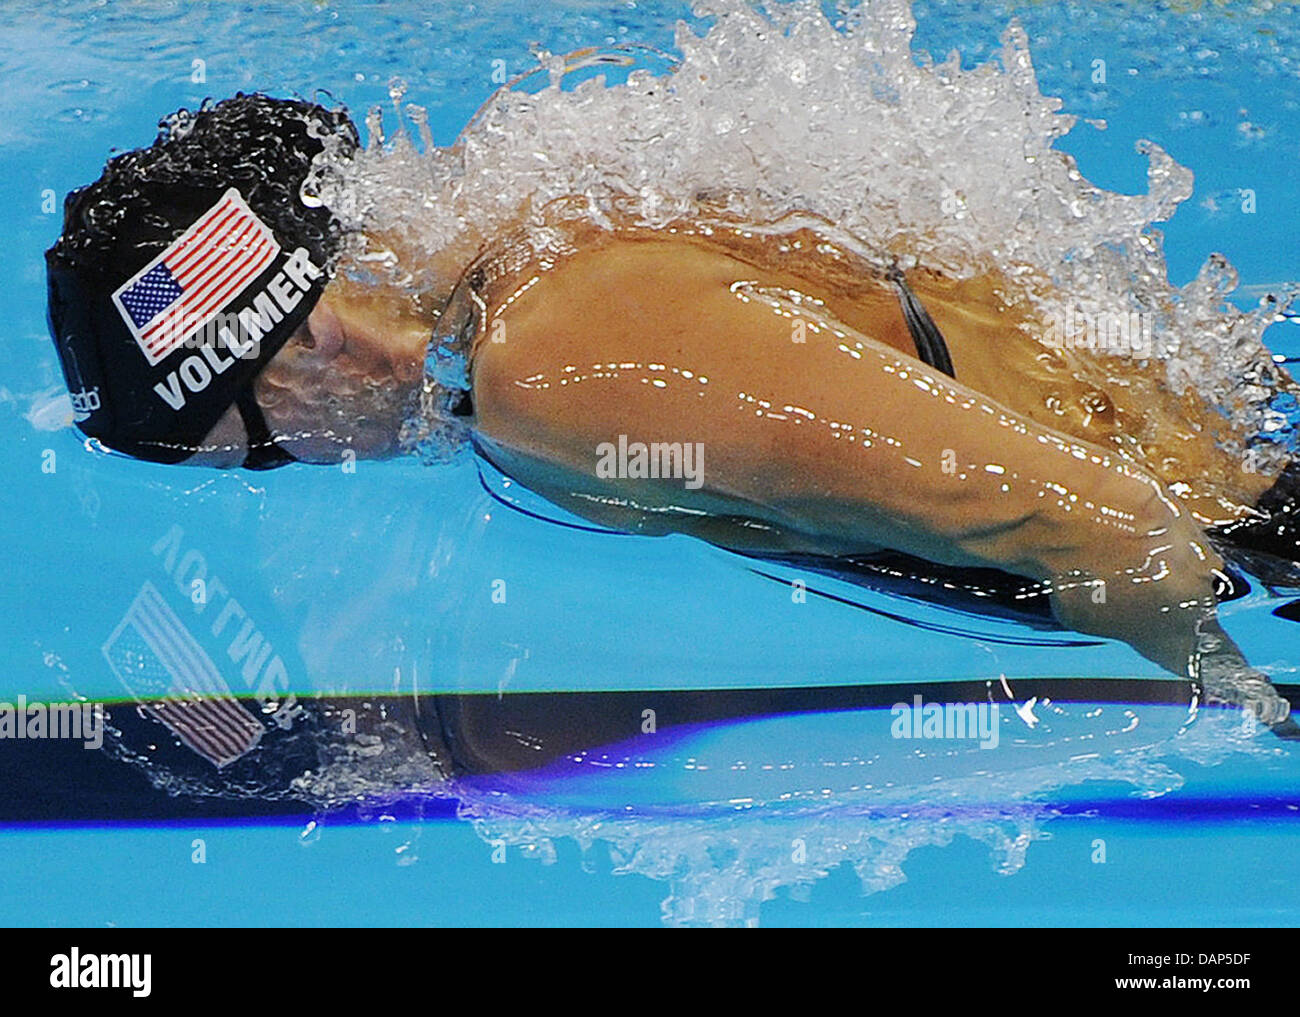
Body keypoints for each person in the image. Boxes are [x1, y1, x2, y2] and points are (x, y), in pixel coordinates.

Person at [45, 93, 1300, 729]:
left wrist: (1241, 701)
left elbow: (1110, 526)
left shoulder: (549, 373)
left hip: (1264, 543)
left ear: (309, 342)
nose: (295, 469)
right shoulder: (526, 255)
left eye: (253, 450)